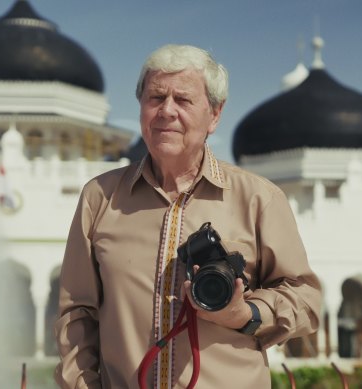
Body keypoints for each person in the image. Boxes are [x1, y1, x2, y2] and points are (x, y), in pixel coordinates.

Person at [55, 44, 322, 388]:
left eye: (183, 100)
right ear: (141, 108)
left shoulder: (258, 198)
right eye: (155, 98)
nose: (167, 111)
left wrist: (246, 314)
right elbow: (76, 312)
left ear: (214, 115)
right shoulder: (101, 197)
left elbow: (305, 298)